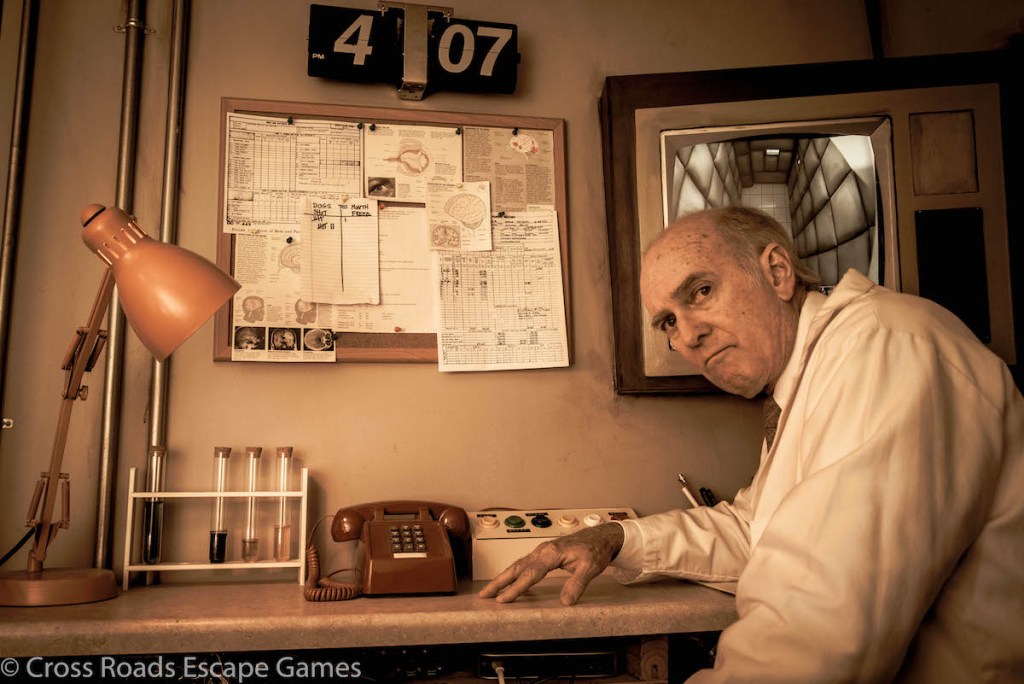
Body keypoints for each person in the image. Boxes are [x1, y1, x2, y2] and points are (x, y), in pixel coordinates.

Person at [479, 207, 1024, 682]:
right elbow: (753, 529)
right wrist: (614, 539)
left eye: (702, 292)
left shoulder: (884, 346)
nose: (687, 335)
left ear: (778, 273)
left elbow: (821, 642)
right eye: (668, 320)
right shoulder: (808, 374)